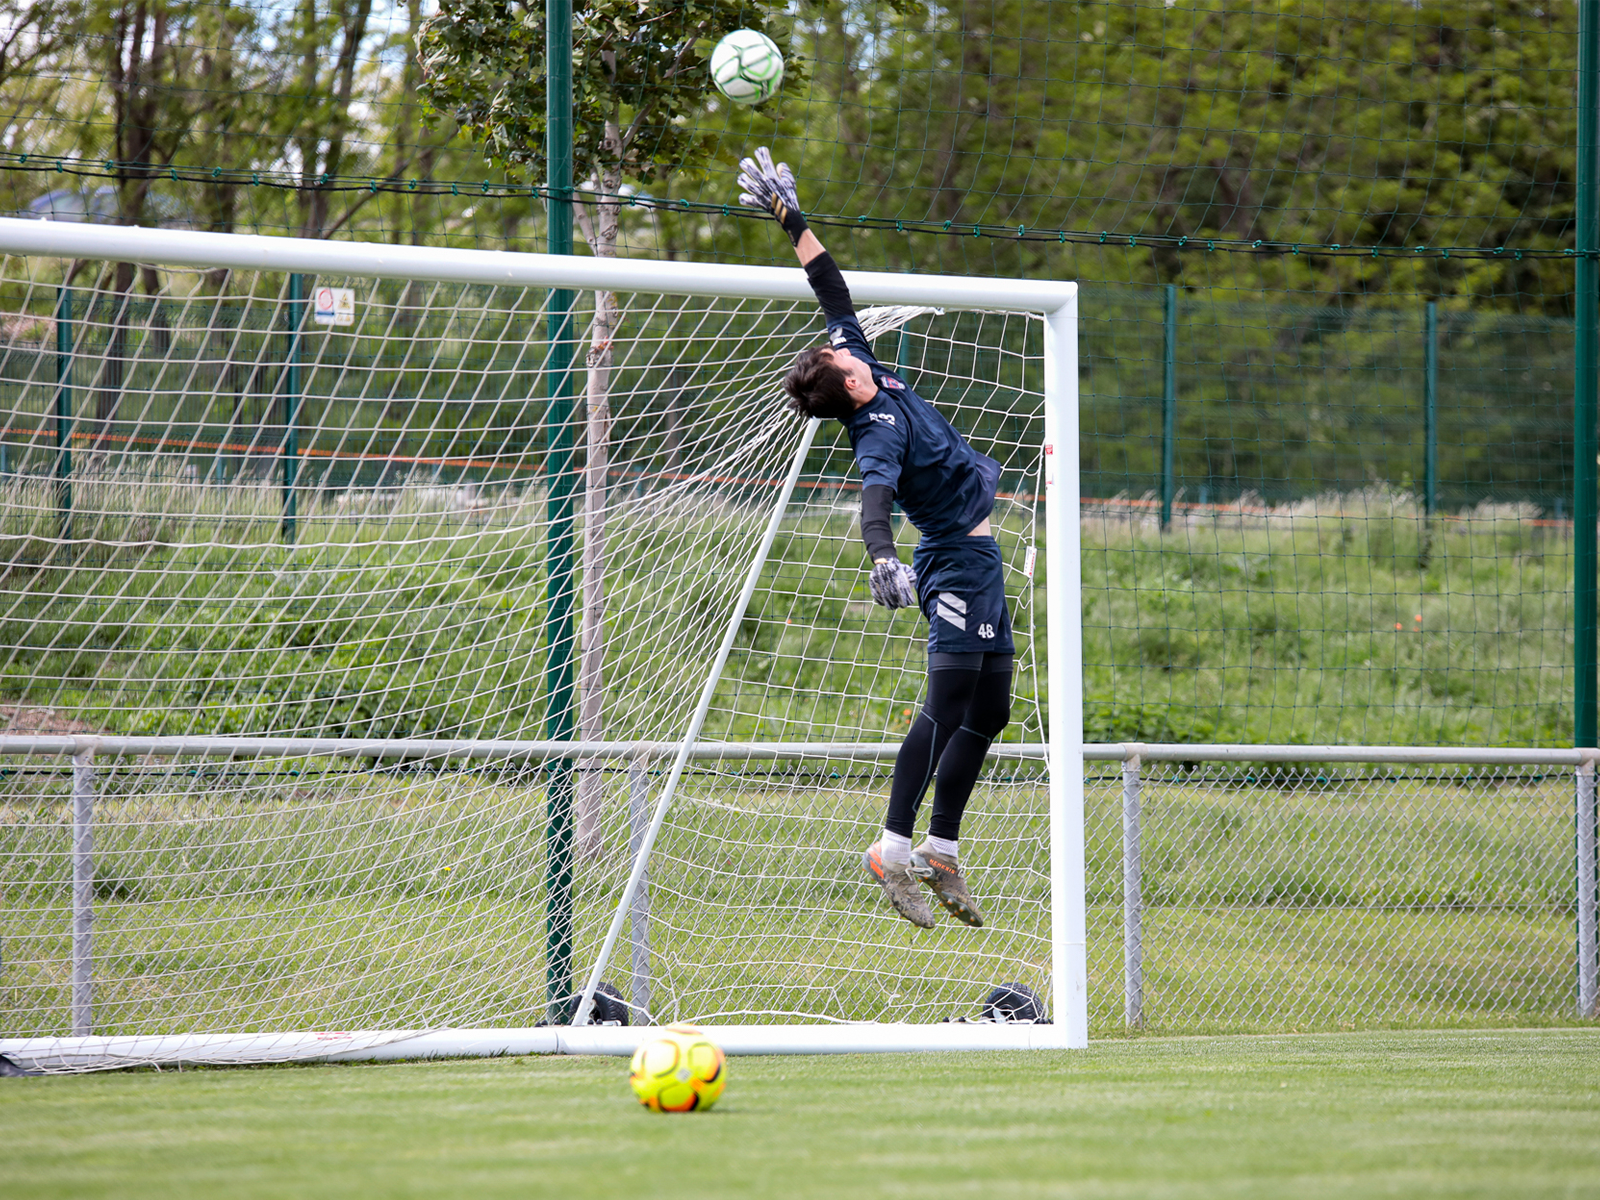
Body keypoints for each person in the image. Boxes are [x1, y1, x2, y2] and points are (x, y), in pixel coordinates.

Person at [738, 148, 1014, 930]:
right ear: (846, 388)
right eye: (842, 358)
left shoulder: (856, 359)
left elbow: (829, 284)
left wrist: (789, 216)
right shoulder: (875, 428)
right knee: (947, 701)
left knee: (990, 710)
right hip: (952, 562)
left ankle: (942, 847)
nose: (849, 350)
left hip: (981, 559)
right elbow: (875, 495)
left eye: (841, 347)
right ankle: (891, 845)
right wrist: (882, 555)